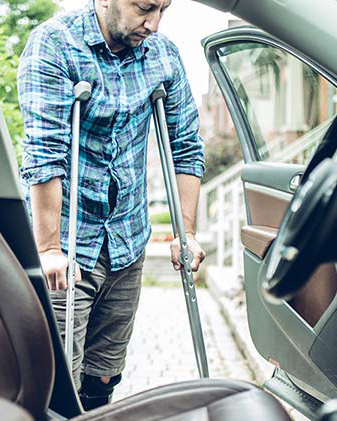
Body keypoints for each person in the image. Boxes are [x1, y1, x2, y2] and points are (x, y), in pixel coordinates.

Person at [17, 0, 206, 410]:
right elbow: (45, 154)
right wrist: (48, 248)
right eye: (144, 8)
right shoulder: (54, 45)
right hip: (68, 246)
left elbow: (186, 147)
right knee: (59, 380)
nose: (153, 24)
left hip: (127, 239)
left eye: (164, 10)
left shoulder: (163, 55)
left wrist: (185, 231)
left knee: (103, 374)